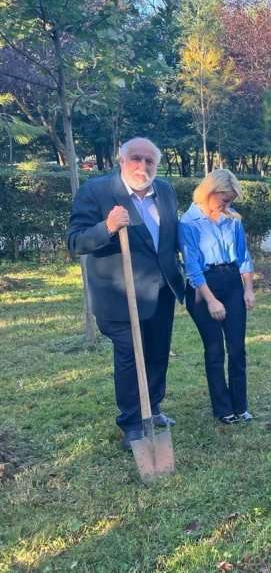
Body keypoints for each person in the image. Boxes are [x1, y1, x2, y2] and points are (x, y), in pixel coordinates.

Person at [67, 137, 184, 450]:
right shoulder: (98, 192)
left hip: (161, 290)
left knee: (158, 352)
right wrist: (106, 226)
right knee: (131, 356)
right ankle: (132, 422)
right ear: (121, 160)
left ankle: (153, 407)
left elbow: (171, 237)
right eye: (135, 158)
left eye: (150, 161)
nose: (142, 166)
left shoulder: (166, 191)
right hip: (118, 296)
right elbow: (75, 242)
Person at [179, 169, 255, 425]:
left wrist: (248, 289)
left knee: (237, 349)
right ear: (209, 192)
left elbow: (243, 257)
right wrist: (211, 300)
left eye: (231, 200)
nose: (227, 205)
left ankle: (240, 405)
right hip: (203, 287)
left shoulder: (233, 220)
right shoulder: (189, 222)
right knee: (214, 350)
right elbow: (192, 267)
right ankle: (223, 409)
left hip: (232, 281)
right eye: (224, 199)